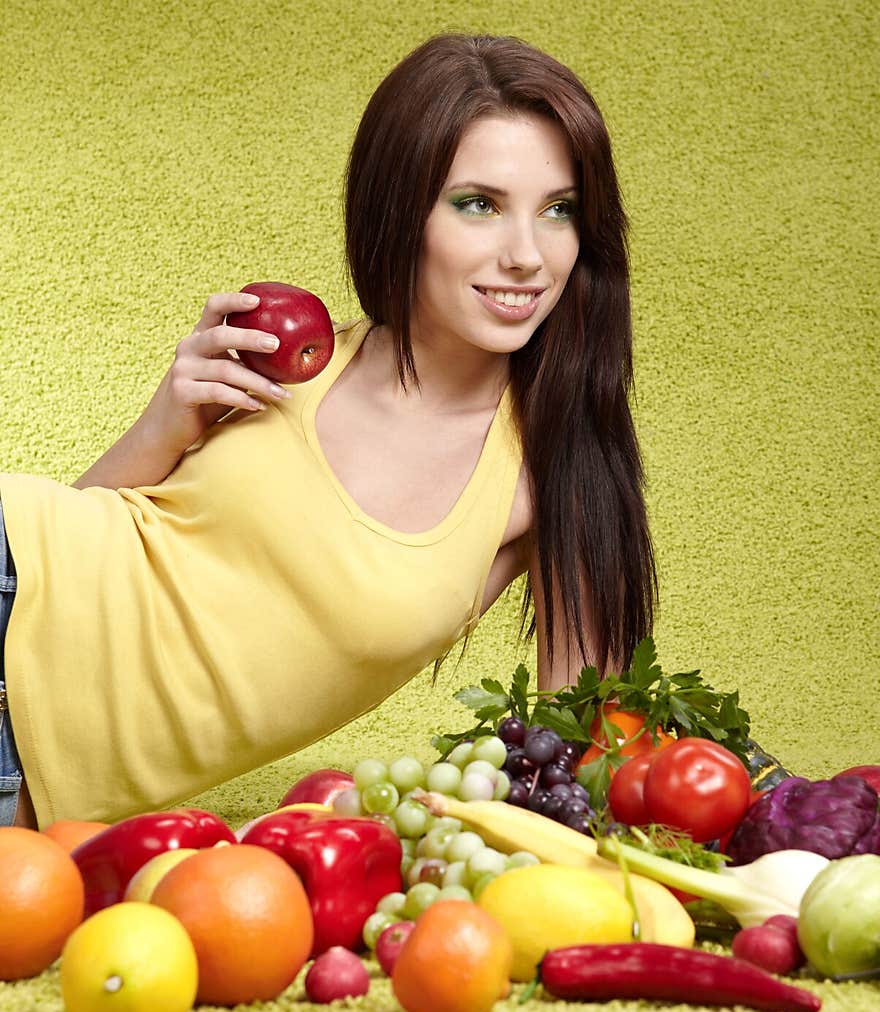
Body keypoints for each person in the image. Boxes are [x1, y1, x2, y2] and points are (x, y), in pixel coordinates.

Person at [0, 31, 657, 831]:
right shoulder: (288, 357)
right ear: (400, 206)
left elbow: (573, 769)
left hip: (33, 782)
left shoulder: (552, 479)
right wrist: (162, 423)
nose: (526, 255)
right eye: (478, 204)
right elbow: (75, 554)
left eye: (558, 211)